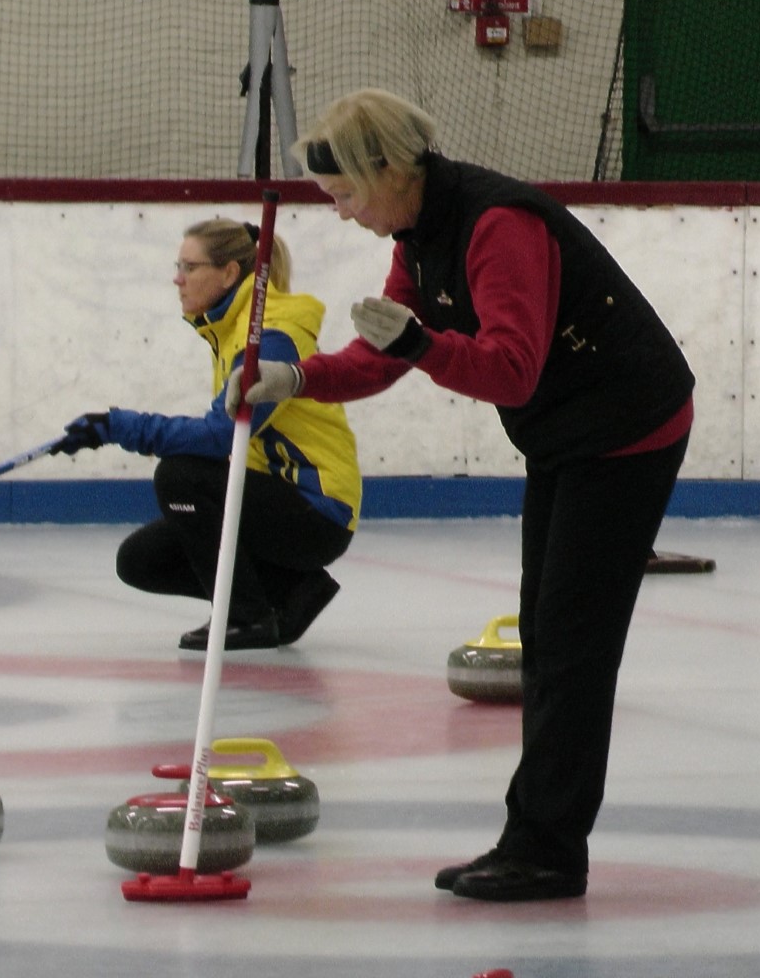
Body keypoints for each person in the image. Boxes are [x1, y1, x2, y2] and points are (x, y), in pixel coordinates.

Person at [231, 89, 695, 901]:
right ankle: (536, 836)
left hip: (627, 428)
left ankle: (547, 849)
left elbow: (509, 366)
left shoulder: (497, 226)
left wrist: (420, 342)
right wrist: (295, 379)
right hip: (562, 433)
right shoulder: (419, 234)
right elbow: (381, 356)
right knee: (546, 639)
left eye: (342, 194)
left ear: (384, 169)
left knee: (572, 645)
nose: (339, 213)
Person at [55, 218, 361, 652]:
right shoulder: (228, 329)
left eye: (190, 267)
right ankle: (294, 592)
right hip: (274, 494)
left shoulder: (270, 334)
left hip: (315, 509)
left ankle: (247, 617)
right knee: (141, 561)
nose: (177, 279)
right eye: (177, 265)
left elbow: (222, 435)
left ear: (229, 274)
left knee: (182, 477)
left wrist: (118, 427)